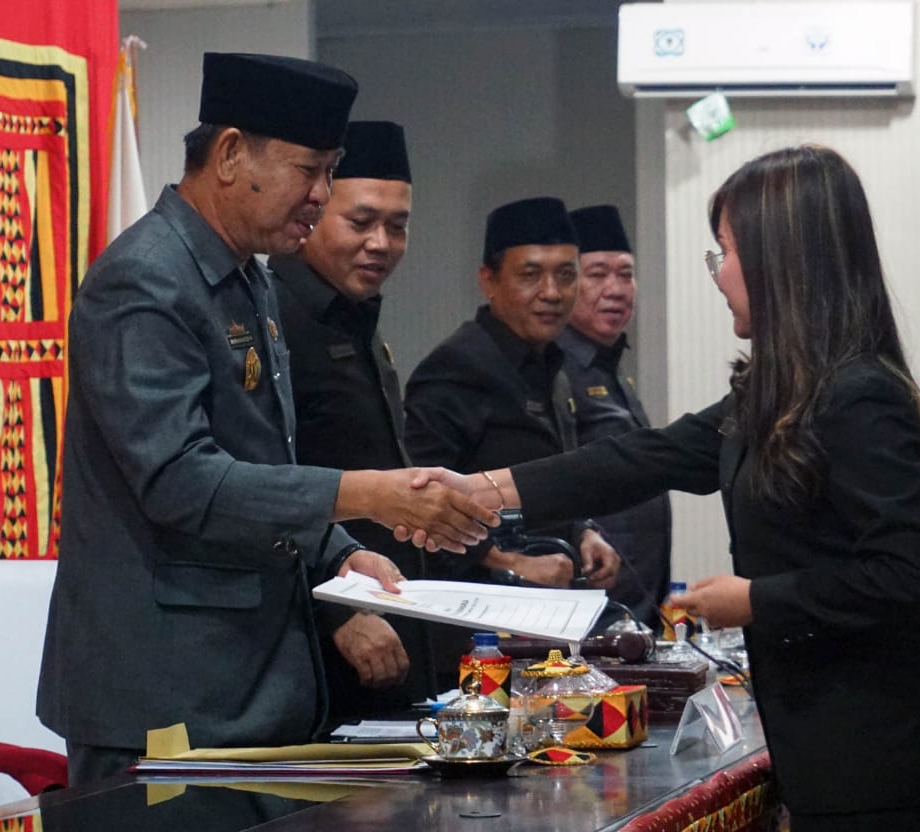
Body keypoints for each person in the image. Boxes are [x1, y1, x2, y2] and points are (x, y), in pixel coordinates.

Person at [418, 146, 920, 830]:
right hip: (835, 748)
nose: (717, 274)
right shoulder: (783, 390)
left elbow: (908, 573)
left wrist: (753, 599)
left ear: (779, 261)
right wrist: (481, 489)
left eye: (724, 252)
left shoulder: (859, 393)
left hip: (880, 750)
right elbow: (644, 458)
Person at [36, 54, 496, 786]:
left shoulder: (247, 273)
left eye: (330, 172)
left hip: (250, 683)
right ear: (228, 155)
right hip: (164, 690)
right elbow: (178, 479)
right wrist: (366, 494)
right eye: (308, 170)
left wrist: (337, 552)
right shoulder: (144, 279)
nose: (320, 195)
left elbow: (261, 459)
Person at [269, 120, 441, 721]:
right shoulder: (274, 316)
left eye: (398, 226)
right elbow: (262, 488)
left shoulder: (355, 316)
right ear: (313, 210)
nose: (381, 243)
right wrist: (335, 611)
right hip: (314, 640)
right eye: (361, 222)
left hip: (386, 618)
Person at [404, 196, 620, 593]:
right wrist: (509, 563)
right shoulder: (456, 367)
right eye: (530, 275)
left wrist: (584, 532)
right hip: (475, 605)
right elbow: (420, 500)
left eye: (566, 275)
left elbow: (553, 477)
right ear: (489, 281)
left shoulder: (553, 365)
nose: (551, 292)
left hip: (548, 601)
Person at [559, 205, 671, 628]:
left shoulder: (611, 366)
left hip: (636, 604)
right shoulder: (556, 368)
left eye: (626, 274)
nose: (616, 289)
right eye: (598, 274)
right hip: (592, 604)